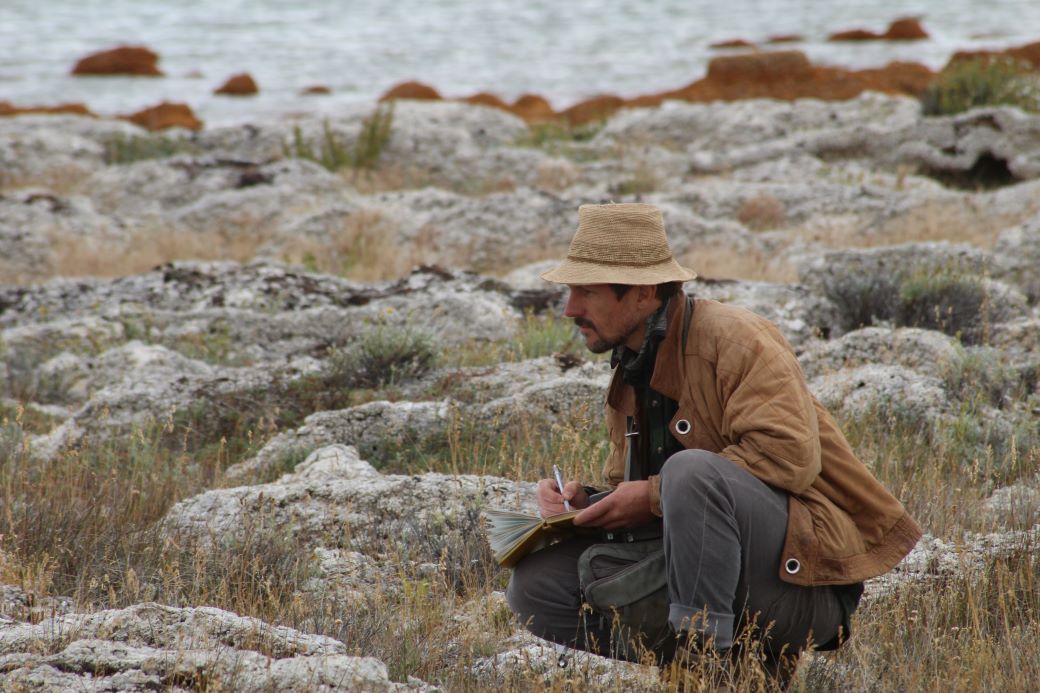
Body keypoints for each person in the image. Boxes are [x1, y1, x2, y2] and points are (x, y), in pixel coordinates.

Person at [505, 203, 922, 682]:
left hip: (804, 582)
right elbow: (654, 501)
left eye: (587, 291)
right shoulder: (632, 365)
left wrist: (655, 493)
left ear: (643, 294)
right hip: (709, 574)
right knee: (535, 585)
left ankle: (705, 667)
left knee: (690, 473)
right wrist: (588, 504)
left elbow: (789, 460)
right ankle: (734, 670)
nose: (570, 309)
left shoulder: (737, 339)